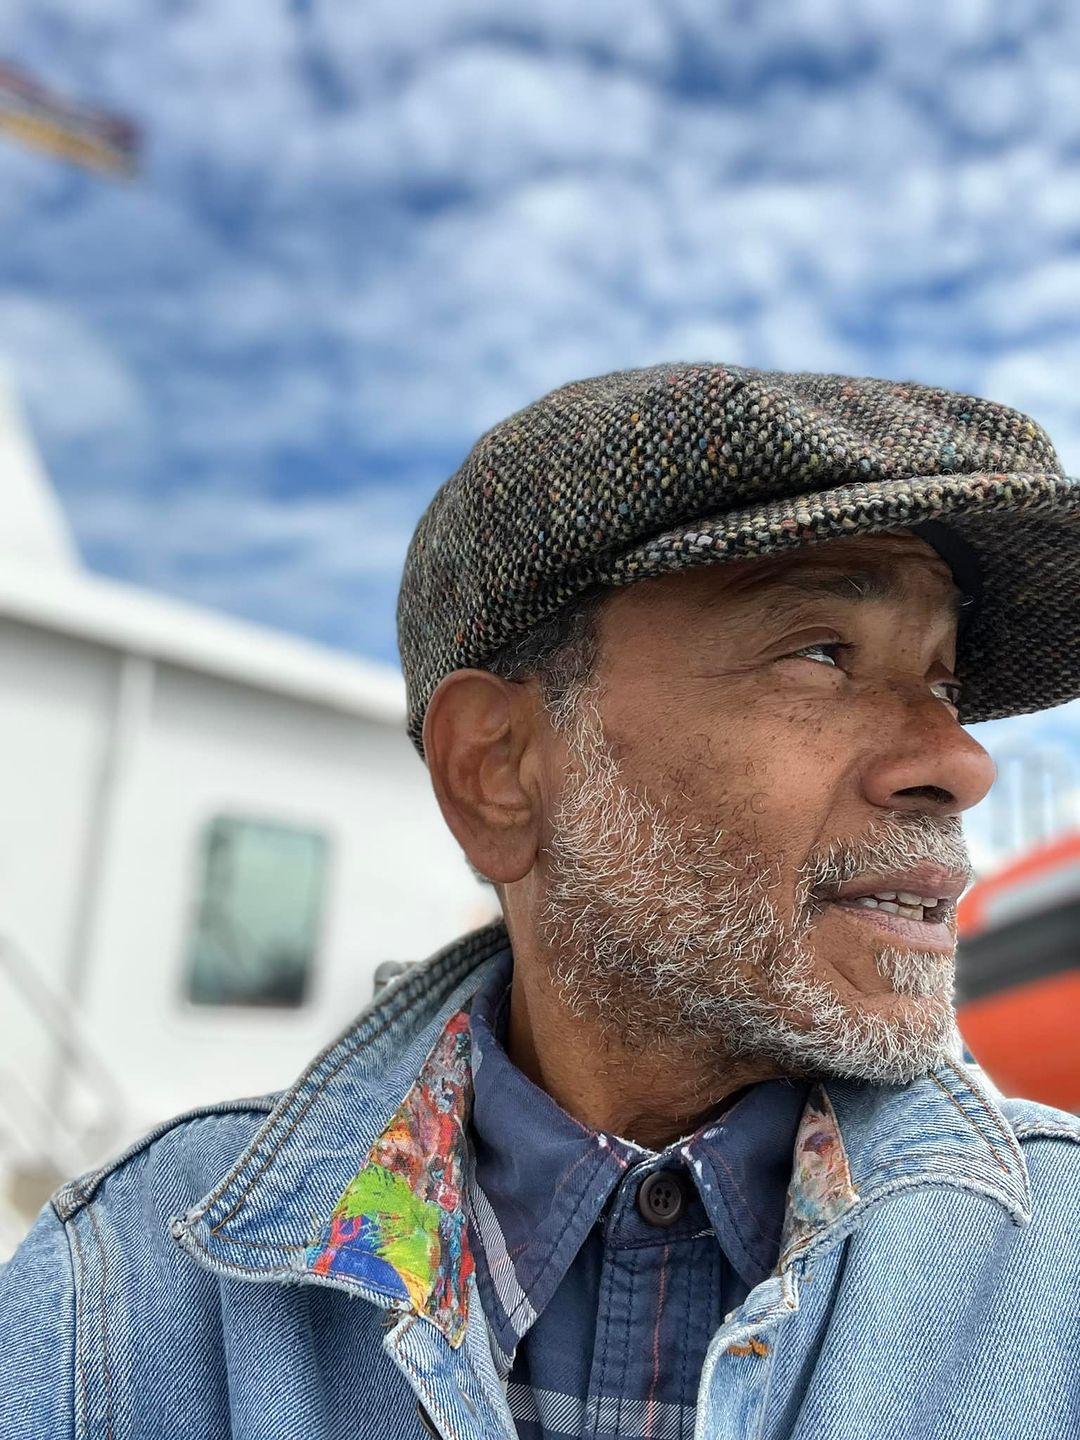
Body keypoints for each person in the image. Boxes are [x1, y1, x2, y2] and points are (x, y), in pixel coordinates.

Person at [3, 363, 1079, 1440]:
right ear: (498, 771)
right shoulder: (116, 1304)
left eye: (942, 684)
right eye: (820, 653)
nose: (961, 762)